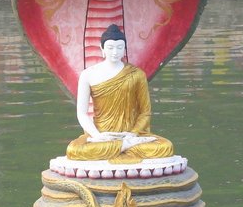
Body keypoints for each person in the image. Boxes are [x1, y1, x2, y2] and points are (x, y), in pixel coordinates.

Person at [66, 25, 174, 163]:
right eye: (110, 47)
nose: (115, 52)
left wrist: (133, 133)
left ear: (124, 49)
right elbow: (82, 113)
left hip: (130, 133)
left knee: (165, 147)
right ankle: (125, 147)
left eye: (119, 47)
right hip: (102, 135)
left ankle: (123, 145)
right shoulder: (87, 75)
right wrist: (97, 135)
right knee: (75, 150)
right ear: (102, 48)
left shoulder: (137, 74)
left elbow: (145, 112)